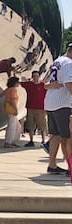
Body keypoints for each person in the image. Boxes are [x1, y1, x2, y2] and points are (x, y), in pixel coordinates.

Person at [42, 43, 72, 174]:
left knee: (56, 135)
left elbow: (45, 83)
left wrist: (51, 86)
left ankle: (52, 165)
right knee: (67, 137)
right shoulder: (69, 63)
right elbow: (69, 83)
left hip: (50, 103)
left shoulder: (57, 61)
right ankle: (70, 167)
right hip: (63, 104)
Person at [21, 71, 48, 147]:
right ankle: (31, 140)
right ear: (32, 77)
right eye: (34, 76)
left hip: (40, 108)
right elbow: (18, 83)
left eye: (37, 76)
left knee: (41, 125)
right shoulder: (29, 84)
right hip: (30, 108)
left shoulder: (43, 85)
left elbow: (47, 96)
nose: (35, 78)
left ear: (39, 76)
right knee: (30, 125)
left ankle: (43, 141)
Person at [0, 77, 21, 148]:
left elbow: (0, 95)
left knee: (17, 126)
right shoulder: (13, 90)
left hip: (8, 108)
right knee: (12, 126)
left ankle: (13, 141)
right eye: (18, 82)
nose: (19, 83)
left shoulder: (8, 89)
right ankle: (8, 142)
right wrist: (16, 109)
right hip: (12, 109)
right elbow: (13, 100)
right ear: (15, 83)